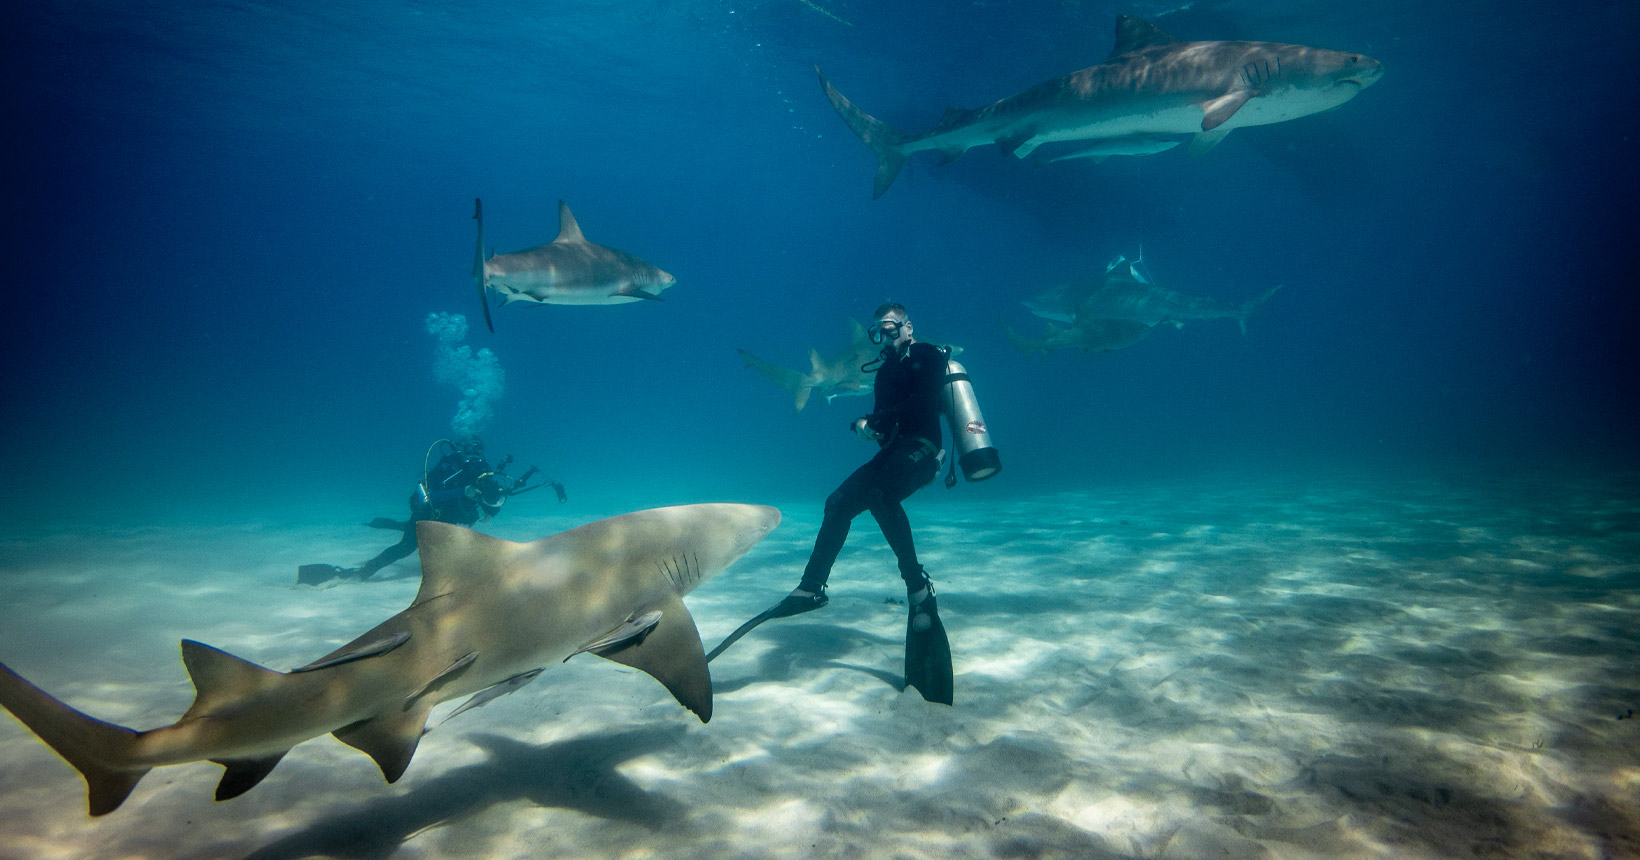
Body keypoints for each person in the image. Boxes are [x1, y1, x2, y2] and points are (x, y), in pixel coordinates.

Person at [708, 303, 954, 704]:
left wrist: (876, 422)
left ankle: (917, 586)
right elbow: (886, 422)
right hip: (892, 454)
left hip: (924, 451)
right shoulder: (884, 370)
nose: (884, 338)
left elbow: (924, 401)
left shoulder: (927, 354)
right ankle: (811, 587)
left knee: (879, 496)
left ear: (908, 326)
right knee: (838, 502)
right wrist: (869, 429)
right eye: (877, 332)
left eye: (890, 329)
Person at [297, 438, 565, 585]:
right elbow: (430, 494)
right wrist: (463, 492)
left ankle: (390, 525)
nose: (474, 458)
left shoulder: (483, 474)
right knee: (406, 547)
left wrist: (491, 507)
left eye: (478, 453)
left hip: (450, 522)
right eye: (470, 452)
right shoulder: (450, 468)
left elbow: (495, 500)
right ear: (462, 451)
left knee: (434, 543)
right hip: (430, 514)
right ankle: (353, 574)